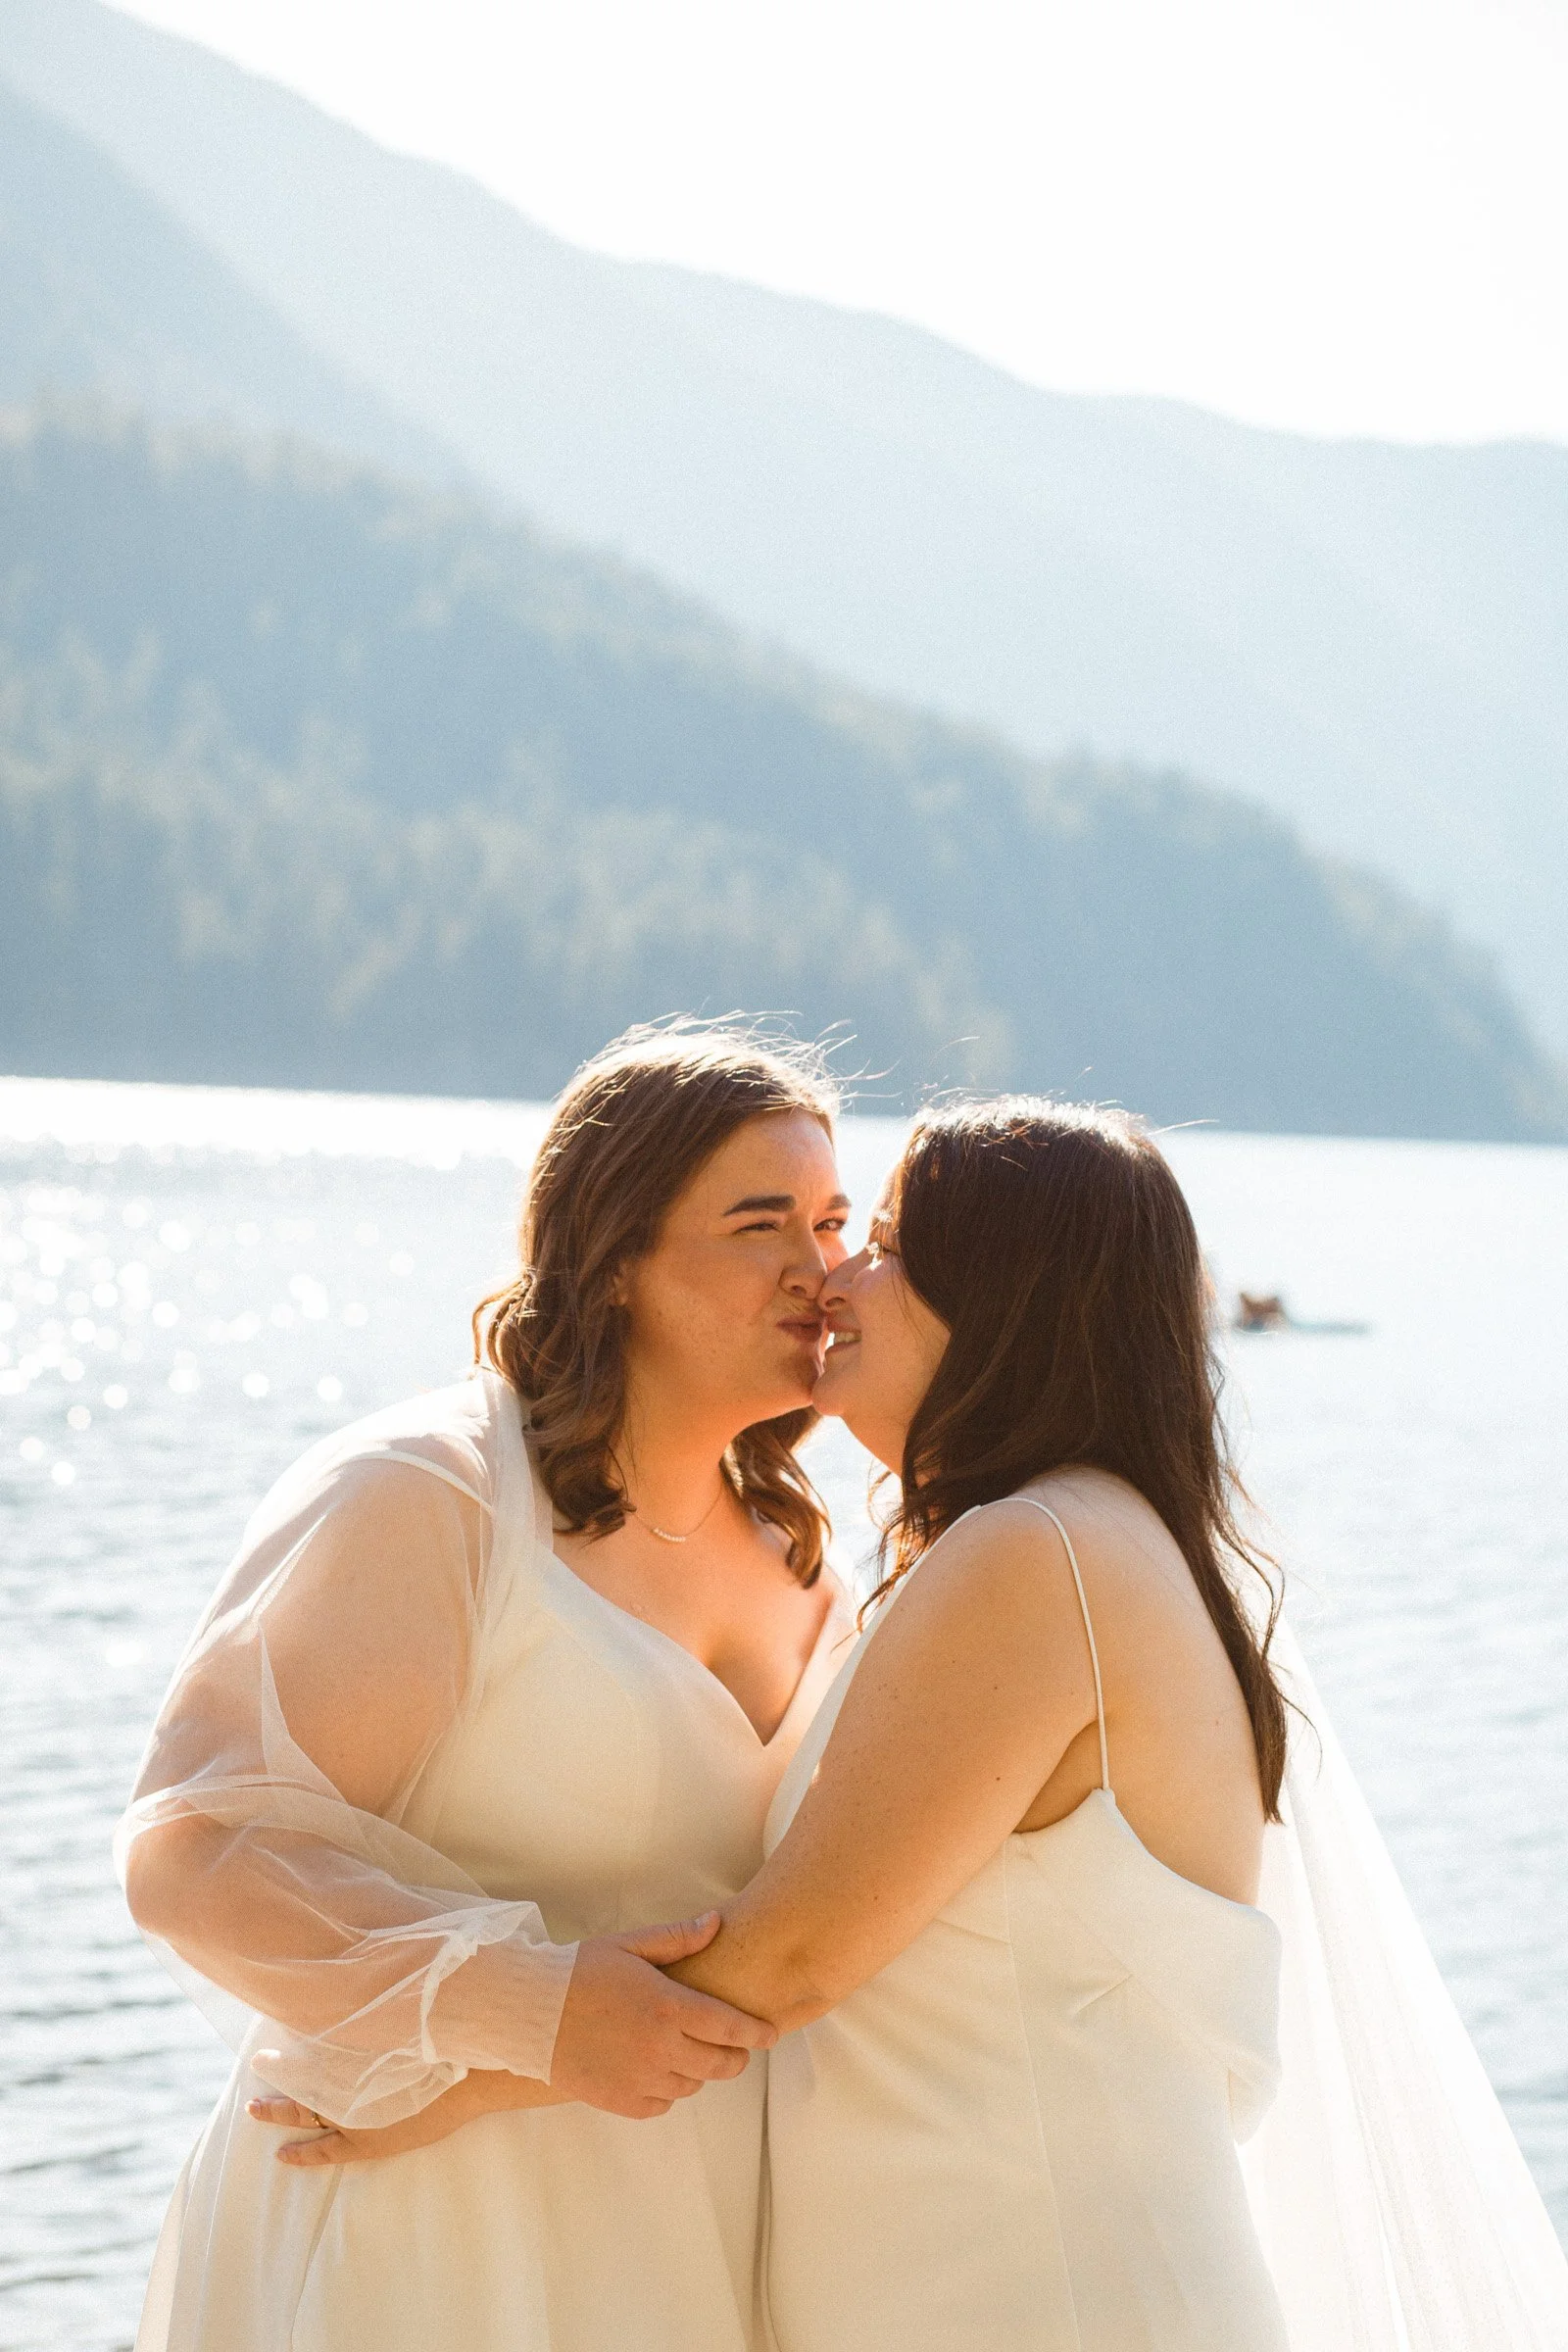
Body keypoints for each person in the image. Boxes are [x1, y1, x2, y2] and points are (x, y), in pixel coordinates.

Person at [117, 1023, 858, 2352]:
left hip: (701, 2236)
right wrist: (534, 2006)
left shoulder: (814, 1567)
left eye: (835, 1220)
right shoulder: (431, 1496)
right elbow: (194, 1852)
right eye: (763, 1225)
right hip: (427, 2229)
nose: (822, 1270)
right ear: (617, 1257)